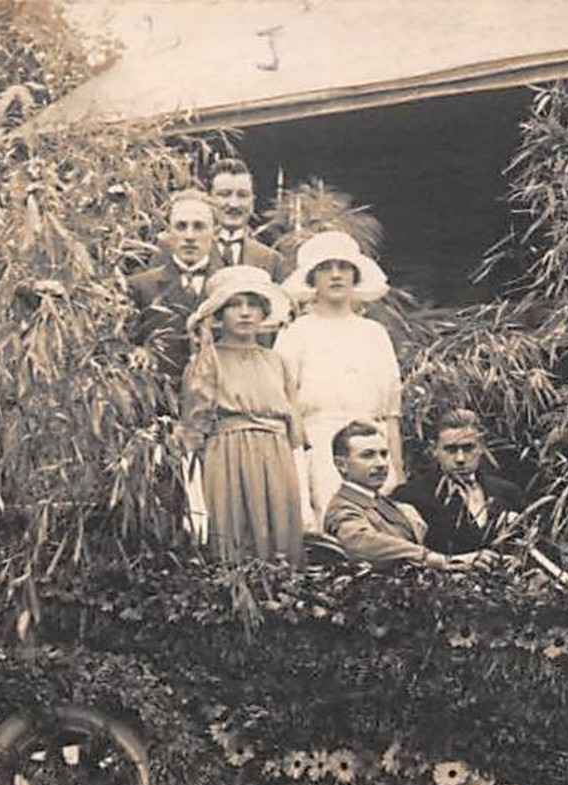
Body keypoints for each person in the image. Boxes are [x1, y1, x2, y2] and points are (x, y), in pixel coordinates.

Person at [180, 265, 306, 565]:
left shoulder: (278, 362)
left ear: (264, 313)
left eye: (253, 305)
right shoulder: (207, 361)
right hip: (229, 456)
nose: (245, 313)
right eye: (235, 305)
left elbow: (294, 427)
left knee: (280, 537)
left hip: (277, 458)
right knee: (237, 536)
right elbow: (194, 428)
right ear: (220, 314)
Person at [275, 230, 403, 521]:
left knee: (381, 530)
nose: (335, 275)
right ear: (311, 279)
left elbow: (391, 411)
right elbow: (287, 406)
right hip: (322, 451)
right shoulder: (295, 334)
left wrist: (397, 466)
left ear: (355, 276)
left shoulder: (374, 334)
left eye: (344, 267)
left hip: (374, 448)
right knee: (334, 529)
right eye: (325, 268)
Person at [324, 421, 490, 570]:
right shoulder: (343, 508)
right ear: (341, 465)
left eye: (383, 454)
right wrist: (435, 559)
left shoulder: (385, 502)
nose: (381, 464)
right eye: (368, 455)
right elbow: (362, 542)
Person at [392, 409, 526, 556]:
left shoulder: (508, 492)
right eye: (451, 449)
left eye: (468, 448)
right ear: (434, 449)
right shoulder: (411, 496)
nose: (460, 458)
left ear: (481, 447)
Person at [127, 189, 215, 378]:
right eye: (181, 226)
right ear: (168, 233)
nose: (190, 236)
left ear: (214, 231)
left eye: (199, 226)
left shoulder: (228, 287)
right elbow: (126, 345)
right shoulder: (140, 287)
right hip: (160, 401)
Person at [207, 158, 288, 280]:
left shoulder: (273, 261)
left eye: (242, 195)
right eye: (224, 194)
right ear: (210, 199)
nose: (234, 204)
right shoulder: (189, 249)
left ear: (252, 202)